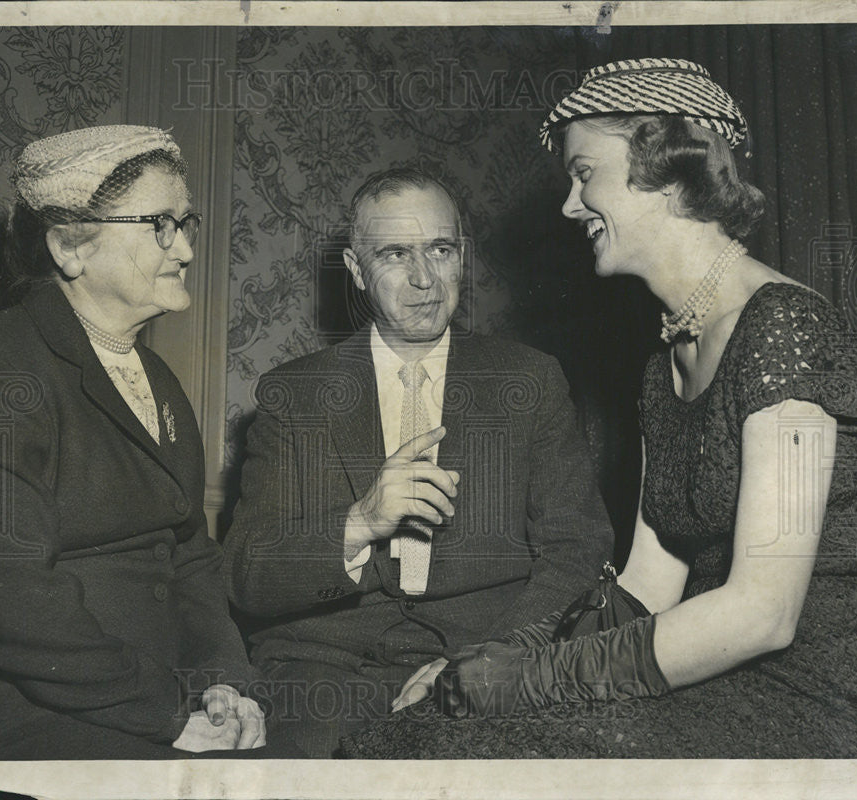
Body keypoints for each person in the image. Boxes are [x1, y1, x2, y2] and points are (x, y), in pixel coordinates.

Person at [409, 58, 857, 758]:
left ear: (662, 165)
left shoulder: (782, 327)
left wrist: (531, 678)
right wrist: (492, 658)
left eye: (583, 173)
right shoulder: (665, 365)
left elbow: (764, 614)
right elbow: (646, 588)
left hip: (818, 697)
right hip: (717, 680)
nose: (569, 206)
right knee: (420, 734)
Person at [224, 166, 613, 756]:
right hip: (323, 672)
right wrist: (360, 521)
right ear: (356, 271)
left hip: (482, 655)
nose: (424, 279)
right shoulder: (294, 395)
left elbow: (577, 550)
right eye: (395, 254)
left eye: (440, 250)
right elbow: (248, 577)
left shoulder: (528, 380)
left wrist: (482, 662)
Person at [0, 125, 269, 759]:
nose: (186, 249)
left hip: (144, 705)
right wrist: (165, 714)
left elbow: (188, 552)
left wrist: (221, 678)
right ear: (69, 247)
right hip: (17, 716)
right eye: (160, 225)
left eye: (186, 223)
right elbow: (10, 594)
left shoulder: (155, 378)